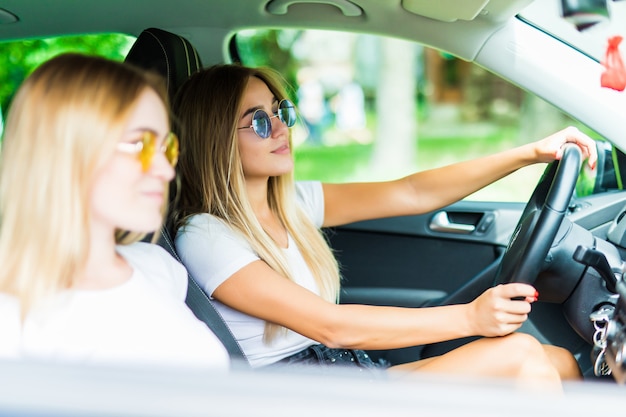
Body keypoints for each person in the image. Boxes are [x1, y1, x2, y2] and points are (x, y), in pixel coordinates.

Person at [171, 63, 597, 387]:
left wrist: (529, 153)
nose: (280, 127)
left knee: (557, 363)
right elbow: (330, 326)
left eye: (280, 110)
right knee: (521, 357)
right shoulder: (206, 236)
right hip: (299, 393)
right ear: (217, 139)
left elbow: (411, 193)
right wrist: (470, 318)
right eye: (259, 121)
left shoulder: (292, 202)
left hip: (342, 371)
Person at [0, 53, 229, 370]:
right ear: (68, 151)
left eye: (168, 147)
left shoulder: (160, 268)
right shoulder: (12, 316)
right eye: (141, 145)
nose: (166, 170)